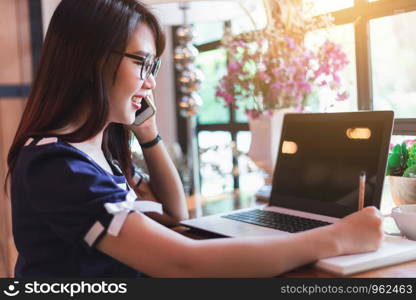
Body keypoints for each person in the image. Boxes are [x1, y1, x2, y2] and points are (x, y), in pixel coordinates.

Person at [6, 0, 383, 278]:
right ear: (91, 59)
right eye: (142, 63)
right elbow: (183, 263)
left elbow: (174, 214)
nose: (151, 82)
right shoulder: (57, 167)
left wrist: (148, 134)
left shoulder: (94, 153)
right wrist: (335, 238)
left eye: (153, 67)